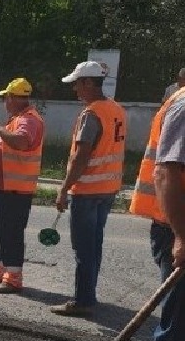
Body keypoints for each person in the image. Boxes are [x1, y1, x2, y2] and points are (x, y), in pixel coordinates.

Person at [50, 60, 127, 317]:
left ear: (88, 82)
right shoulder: (116, 109)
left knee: (83, 248)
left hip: (87, 191)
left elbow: (81, 158)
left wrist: (63, 189)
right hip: (107, 190)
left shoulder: (91, 114)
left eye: (77, 84)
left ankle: (83, 301)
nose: (75, 90)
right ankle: (89, 293)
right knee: (94, 245)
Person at [0, 77, 45, 294]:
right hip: (3, 187)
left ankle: (13, 278)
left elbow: (22, 142)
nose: (5, 101)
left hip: (15, 190)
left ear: (14, 98)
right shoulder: (18, 118)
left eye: (6, 97)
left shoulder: (29, 120)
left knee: (10, 233)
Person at [129, 86, 184, 341]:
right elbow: (165, 173)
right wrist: (181, 236)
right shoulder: (183, 107)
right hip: (177, 227)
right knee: (177, 326)